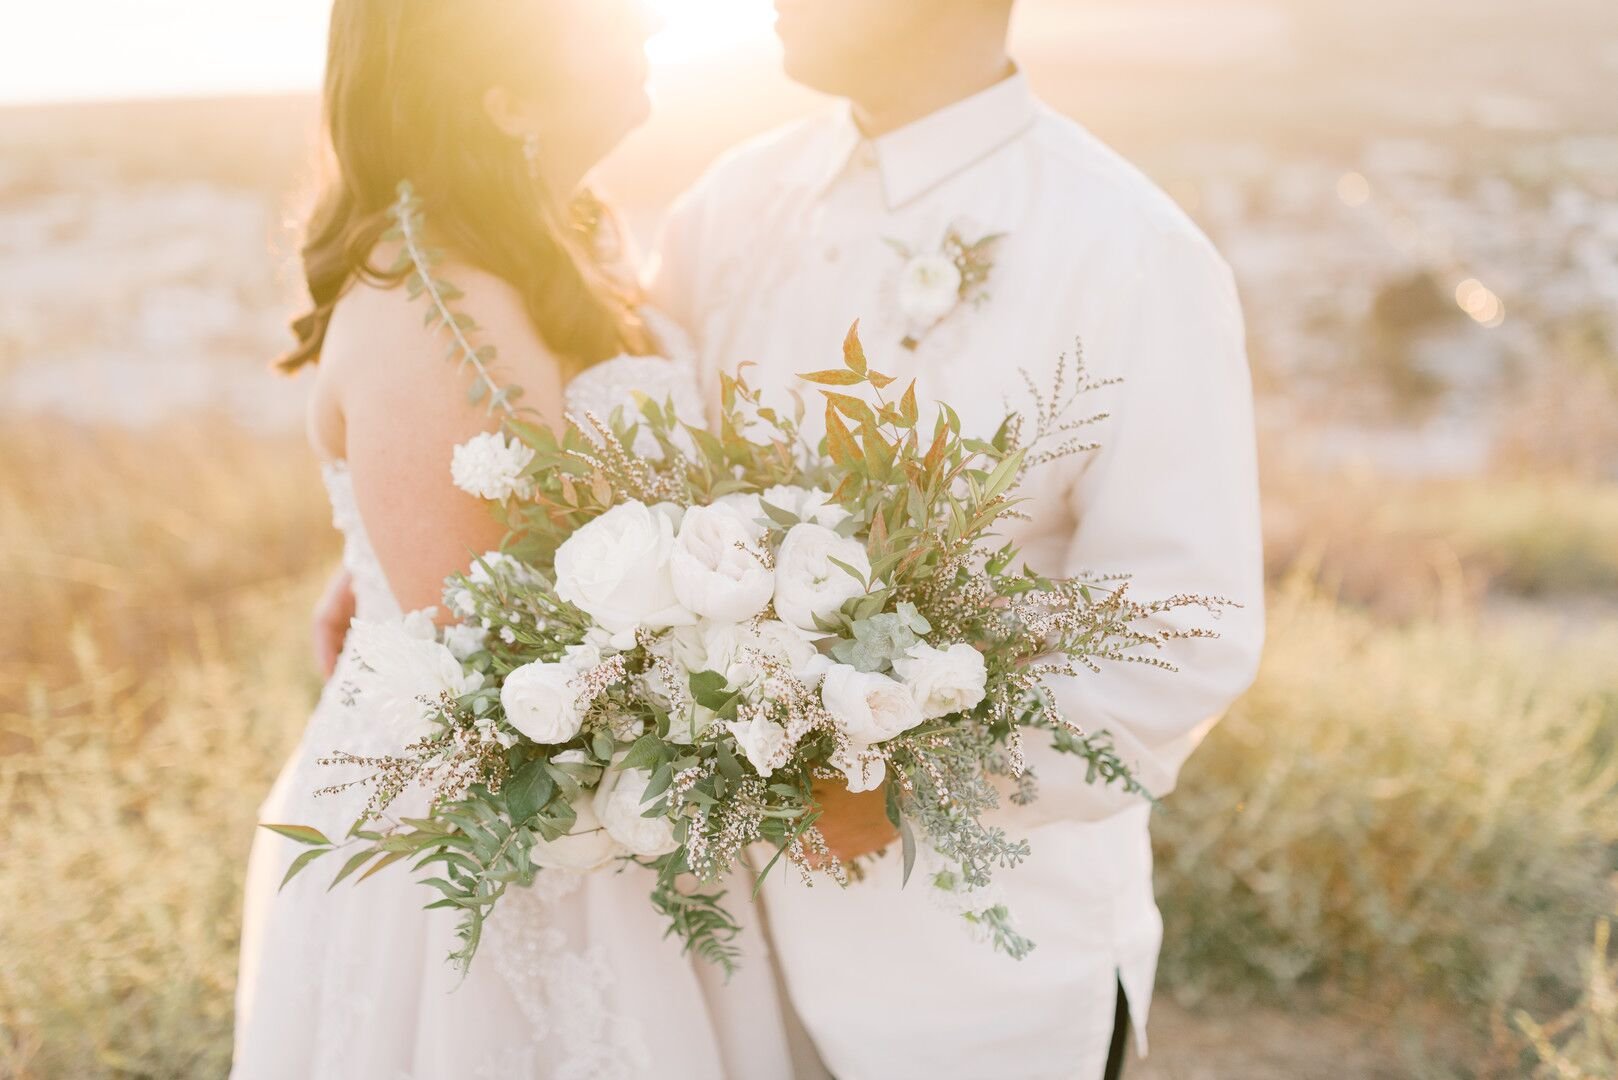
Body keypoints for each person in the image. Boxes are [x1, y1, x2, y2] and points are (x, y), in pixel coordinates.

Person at [644, 1, 1266, 1076]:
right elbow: (631, 466)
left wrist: (897, 787)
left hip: (978, 986)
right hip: (711, 960)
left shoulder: (1128, 249)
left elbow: (1179, 631)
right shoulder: (727, 205)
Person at [235, 2, 791, 1076]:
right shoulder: (424, 303)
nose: (646, 26)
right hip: (516, 833)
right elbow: (498, 654)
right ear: (502, 96)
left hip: (627, 798)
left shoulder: (553, 239)